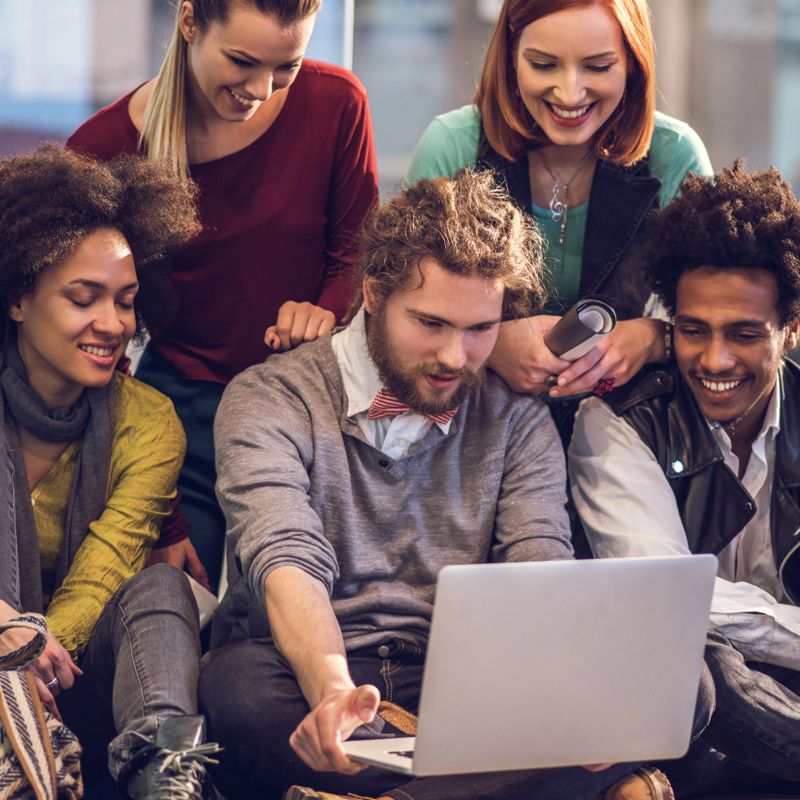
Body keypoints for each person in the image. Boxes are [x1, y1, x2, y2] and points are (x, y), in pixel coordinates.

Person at [199, 170, 711, 800]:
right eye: (431, 323)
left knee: (686, 683)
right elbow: (286, 560)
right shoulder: (272, 397)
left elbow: (538, 567)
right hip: (312, 668)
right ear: (373, 294)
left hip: (463, 683)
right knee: (234, 688)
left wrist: (580, 693)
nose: (454, 357)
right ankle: (544, 784)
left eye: (480, 331)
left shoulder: (515, 416)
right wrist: (333, 691)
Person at [67, 0, 379, 585]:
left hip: (309, 402)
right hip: (178, 414)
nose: (261, 89)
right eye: (242, 61)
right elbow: (90, 329)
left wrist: (324, 311)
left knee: (309, 599)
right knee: (181, 605)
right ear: (189, 22)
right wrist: (165, 517)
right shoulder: (104, 146)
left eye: (287, 65)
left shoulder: (337, 103)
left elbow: (355, 254)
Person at [569, 162, 800, 796]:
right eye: (694, 331)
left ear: (791, 330)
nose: (716, 359)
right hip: (688, 698)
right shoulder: (620, 421)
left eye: (746, 335)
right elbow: (666, 595)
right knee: (693, 660)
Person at [0, 144, 220, 800]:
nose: (113, 324)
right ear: (18, 299)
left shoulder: (149, 423)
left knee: (158, 586)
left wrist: (32, 651)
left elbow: (103, 576)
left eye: (125, 301)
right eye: (83, 298)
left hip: (74, 679)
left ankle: (167, 776)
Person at [406, 0, 711, 410]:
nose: (570, 93)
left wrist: (654, 337)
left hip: (628, 423)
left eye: (598, 67)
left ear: (633, 65)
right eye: (544, 65)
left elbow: (719, 313)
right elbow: (394, 308)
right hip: (476, 421)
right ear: (511, 58)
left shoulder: (675, 155)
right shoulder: (452, 144)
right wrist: (488, 345)